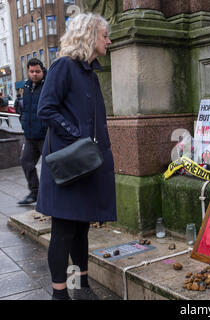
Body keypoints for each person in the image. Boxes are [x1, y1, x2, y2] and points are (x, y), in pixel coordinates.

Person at [36, 13, 116, 300]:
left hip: (85, 164)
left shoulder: (89, 71)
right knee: (64, 230)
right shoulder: (63, 67)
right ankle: (60, 294)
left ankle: (81, 285)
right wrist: (77, 136)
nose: (109, 40)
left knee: (81, 227)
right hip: (69, 164)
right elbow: (45, 110)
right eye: (104, 35)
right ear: (89, 35)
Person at [17, 58, 47, 205]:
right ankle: (34, 193)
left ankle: (52, 195)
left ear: (42, 71)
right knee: (25, 161)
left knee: (51, 165)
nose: (35, 74)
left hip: (45, 135)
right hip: (30, 135)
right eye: (32, 71)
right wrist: (23, 121)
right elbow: (24, 108)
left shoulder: (48, 84)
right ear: (28, 71)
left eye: (37, 71)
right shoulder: (26, 86)